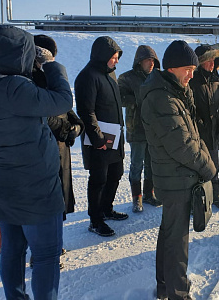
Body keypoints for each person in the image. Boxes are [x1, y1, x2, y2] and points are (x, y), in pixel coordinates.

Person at [0, 24, 73, 299]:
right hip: (36, 190)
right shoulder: (15, 87)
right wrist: (51, 65)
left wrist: (0, 165)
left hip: (0, 187)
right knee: (46, 255)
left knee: (12, 251)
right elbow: (62, 101)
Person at [141, 40, 216, 300]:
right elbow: (182, 145)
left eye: (194, 70)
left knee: (170, 234)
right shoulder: (162, 98)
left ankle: (166, 286)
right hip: (175, 177)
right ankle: (177, 293)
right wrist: (209, 168)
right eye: (188, 69)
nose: (191, 75)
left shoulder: (173, 92)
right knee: (177, 241)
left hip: (177, 176)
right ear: (171, 68)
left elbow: (193, 133)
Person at [31, 34, 84, 269]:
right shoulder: (30, 80)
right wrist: (67, 128)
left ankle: (55, 245)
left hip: (61, 150)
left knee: (58, 201)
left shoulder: (51, 77)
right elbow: (45, 113)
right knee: (43, 204)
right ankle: (40, 252)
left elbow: (67, 108)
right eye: (43, 56)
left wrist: (76, 126)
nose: (46, 60)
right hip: (41, 151)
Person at [75, 36, 128, 237]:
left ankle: (107, 208)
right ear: (102, 56)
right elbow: (86, 111)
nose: (116, 61)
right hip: (98, 140)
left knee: (115, 174)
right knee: (98, 179)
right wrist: (98, 139)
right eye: (113, 57)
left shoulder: (111, 75)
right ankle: (95, 220)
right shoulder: (87, 76)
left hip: (114, 137)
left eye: (117, 57)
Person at [190, 44, 219, 210]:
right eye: (208, 61)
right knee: (197, 167)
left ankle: (215, 195)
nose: (212, 64)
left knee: (214, 165)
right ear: (200, 62)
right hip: (197, 131)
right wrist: (198, 123)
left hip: (214, 128)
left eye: (214, 61)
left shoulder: (215, 78)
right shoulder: (193, 81)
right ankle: (196, 200)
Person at [117, 45, 162, 213]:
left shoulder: (158, 77)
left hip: (154, 129)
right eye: (148, 60)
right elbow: (119, 97)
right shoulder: (127, 78)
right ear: (139, 61)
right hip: (136, 127)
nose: (151, 64)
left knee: (152, 164)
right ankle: (137, 199)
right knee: (137, 165)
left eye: (153, 60)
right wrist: (138, 99)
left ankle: (149, 194)